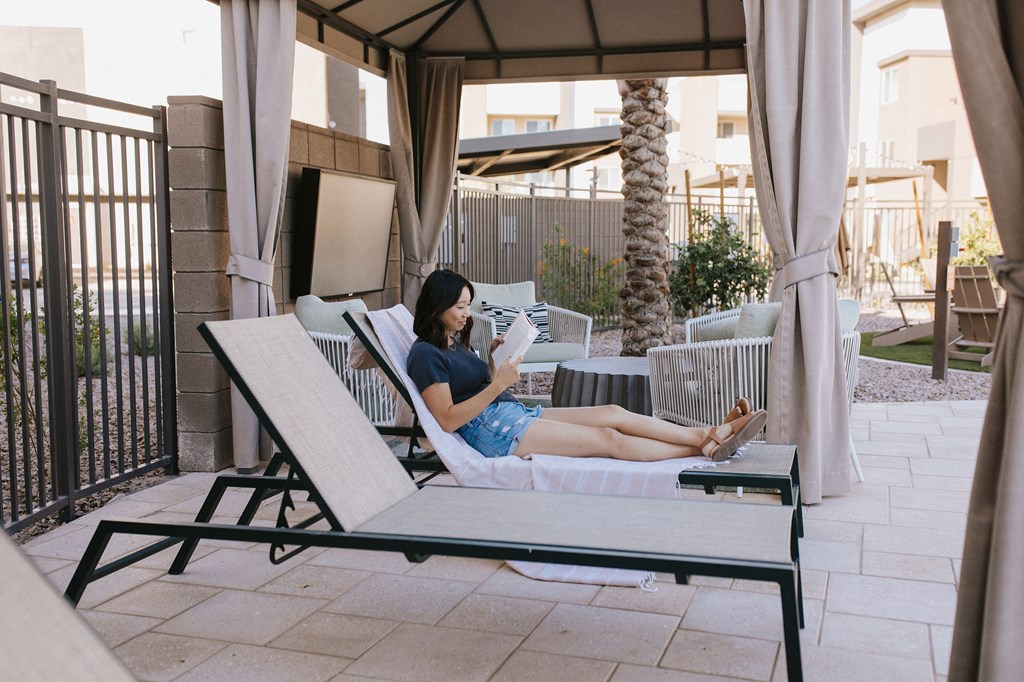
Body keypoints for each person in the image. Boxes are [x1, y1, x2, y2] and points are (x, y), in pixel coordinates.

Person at [407, 269, 767, 463]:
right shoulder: (424, 354)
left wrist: (492, 361)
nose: (466, 314)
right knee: (608, 440)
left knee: (614, 411)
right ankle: (707, 445)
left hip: (509, 413)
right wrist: (499, 383)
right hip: (491, 433)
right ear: (436, 306)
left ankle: (707, 434)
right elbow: (447, 419)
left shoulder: (452, 341)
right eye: (459, 307)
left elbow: (470, 384)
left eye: (468, 305)